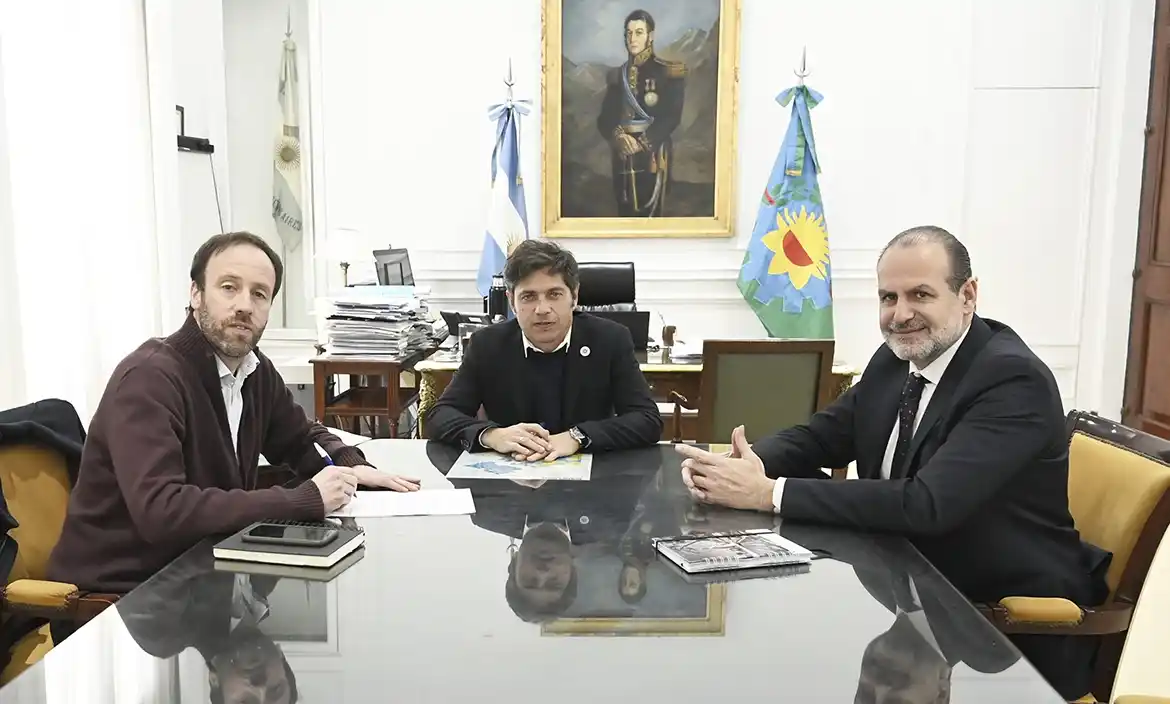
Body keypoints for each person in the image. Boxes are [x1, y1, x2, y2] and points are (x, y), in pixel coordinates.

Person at [675, 226, 1109, 700]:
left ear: (968, 295)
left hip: (1000, 626)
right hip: (909, 588)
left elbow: (928, 503)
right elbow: (821, 437)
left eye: (920, 294)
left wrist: (768, 494)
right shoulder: (895, 360)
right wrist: (743, 464)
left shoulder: (1011, 379)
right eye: (888, 297)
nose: (900, 315)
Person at [47, 232, 419, 595]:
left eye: (260, 294)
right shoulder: (149, 378)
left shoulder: (254, 371)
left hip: (199, 576)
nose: (245, 305)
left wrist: (349, 463)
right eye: (229, 287)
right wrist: (304, 499)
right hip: (122, 598)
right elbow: (162, 512)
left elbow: (302, 436)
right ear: (196, 294)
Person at [425, 239, 663, 458]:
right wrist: (492, 436)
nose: (542, 309)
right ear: (511, 301)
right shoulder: (488, 345)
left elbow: (647, 420)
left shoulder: (609, 340)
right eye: (528, 297)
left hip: (591, 484)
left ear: (574, 296)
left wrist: (577, 437)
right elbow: (440, 416)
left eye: (554, 294)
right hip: (511, 485)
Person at [596, 9, 686, 217]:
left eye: (638, 32)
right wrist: (618, 136)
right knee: (624, 211)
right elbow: (605, 118)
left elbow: (672, 116)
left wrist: (642, 142)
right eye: (628, 33)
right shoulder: (618, 76)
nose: (632, 38)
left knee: (652, 215)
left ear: (650, 36)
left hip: (653, 153)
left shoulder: (668, 73)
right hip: (622, 153)